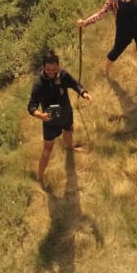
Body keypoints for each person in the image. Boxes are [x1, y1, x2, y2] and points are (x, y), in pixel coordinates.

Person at [27, 50, 90, 186]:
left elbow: (75, 84)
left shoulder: (63, 74)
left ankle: (70, 148)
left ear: (58, 65)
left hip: (66, 112)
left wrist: (84, 93)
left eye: (54, 69)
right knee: (47, 149)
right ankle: (39, 176)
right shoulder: (39, 83)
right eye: (48, 69)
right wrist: (41, 116)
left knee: (69, 131)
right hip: (50, 120)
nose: (51, 72)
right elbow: (31, 106)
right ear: (43, 67)